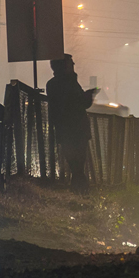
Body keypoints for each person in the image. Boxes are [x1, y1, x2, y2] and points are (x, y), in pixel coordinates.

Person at [45, 55, 97, 191]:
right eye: (70, 63)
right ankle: (80, 187)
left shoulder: (52, 84)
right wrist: (89, 96)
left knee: (74, 160)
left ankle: (78, 187)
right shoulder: (70, 83)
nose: (73, 64)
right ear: (64, 66)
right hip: (77, 128)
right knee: (78, 160)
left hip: (64, 129)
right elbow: (79, 103)